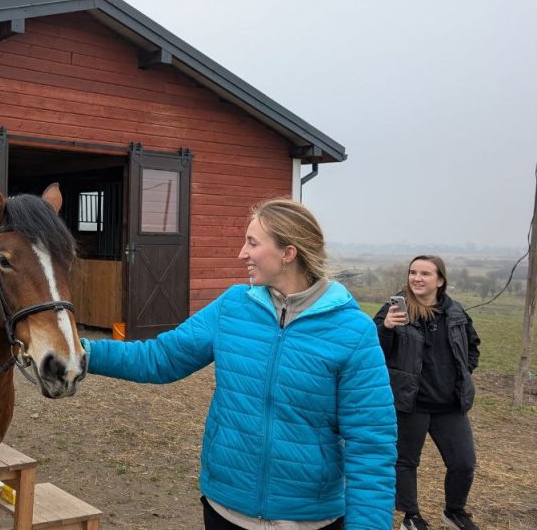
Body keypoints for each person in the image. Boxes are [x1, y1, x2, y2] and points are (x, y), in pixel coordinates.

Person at [82, 198, 397, 530]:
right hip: (226, 510)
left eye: (253, 243)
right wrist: (82, 353)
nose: (241, 253)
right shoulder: (232, 306)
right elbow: (161, 358)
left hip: (308, 519)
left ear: (288, 253)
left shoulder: (353, 331)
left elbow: (371, 446)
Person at [374, 255, 481, 530]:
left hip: (450, 404)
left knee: (464, 462)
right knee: (406, 461)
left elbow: (472, 346)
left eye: (425, 273)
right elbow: (374, 351)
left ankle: (454, 511)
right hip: (411, 402)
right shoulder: (394, 309)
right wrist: (386, 328)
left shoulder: (455, 312)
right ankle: (411, 516)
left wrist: (463, 372)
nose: (417, 278)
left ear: (440, 280)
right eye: (413, 272)